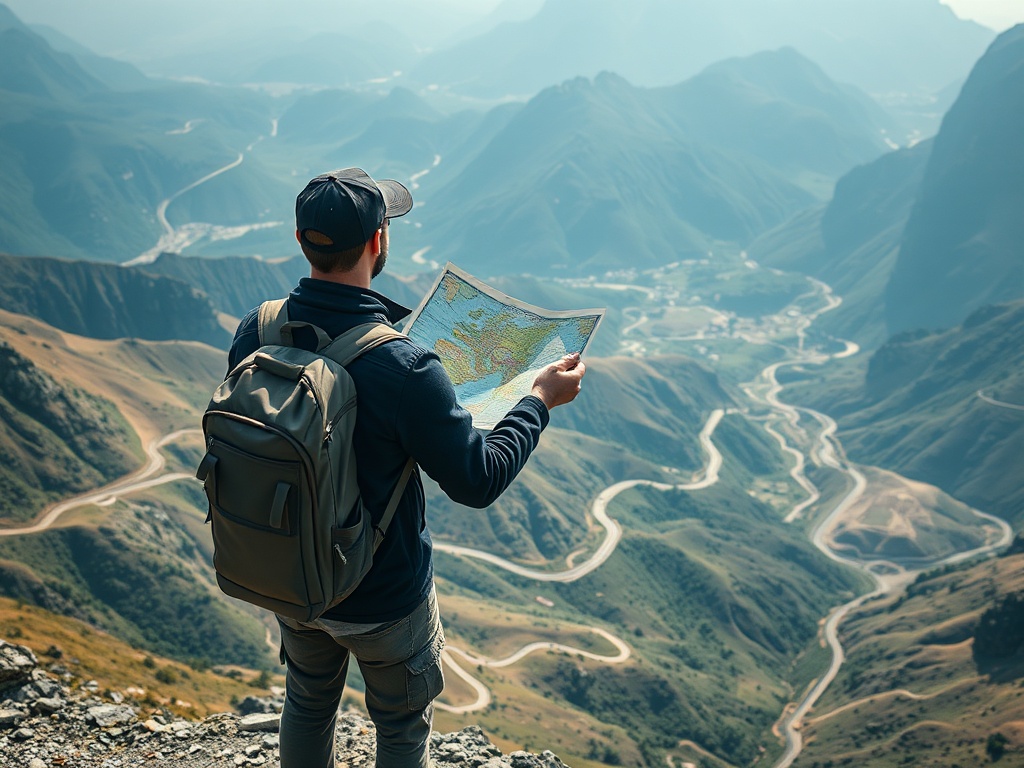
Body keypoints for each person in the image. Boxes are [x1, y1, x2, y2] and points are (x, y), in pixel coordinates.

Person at [225, 168, 587, 768]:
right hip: (385, 594)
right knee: (398, 727)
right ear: (376, 243)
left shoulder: (257, 330)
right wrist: (538, 401)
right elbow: (478, 480)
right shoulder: (406, 365)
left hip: (294, 575)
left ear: (299, 237)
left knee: (308, 704)